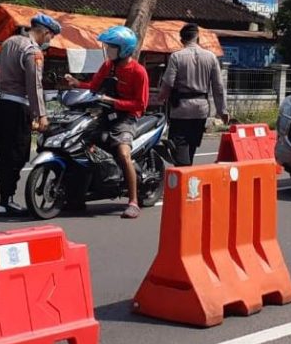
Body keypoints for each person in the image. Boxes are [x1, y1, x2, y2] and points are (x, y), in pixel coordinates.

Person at [64, 26, 149, 218]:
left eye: (111, 47)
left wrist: (115, 102)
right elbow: (94, 87)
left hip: (127, 118)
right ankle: (78, 196)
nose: (107, 50)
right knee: (80, 143)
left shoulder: (138, 71)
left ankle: (133, 202)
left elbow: (141, 104)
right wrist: (77, 84)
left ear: (124, 49)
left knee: (122, 152)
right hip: (105, 115)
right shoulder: (108, 66)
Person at [0, 12, 61, 216]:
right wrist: (41, 115)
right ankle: (7, 201)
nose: (49, 41)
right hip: (16, 108)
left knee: (2, 155)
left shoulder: (9, 42)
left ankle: (4, 200)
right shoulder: (33, 52)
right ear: (45, 32)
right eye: (51, 37)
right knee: (18, 155)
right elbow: (34, 86)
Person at [156, 23, 228, 165]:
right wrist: (222, 111)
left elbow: (167, 84)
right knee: (191, 146)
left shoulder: (176, 57)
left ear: (182, 40)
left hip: (180, 110)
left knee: (179, 148)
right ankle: (188, 174)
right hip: (201, 110)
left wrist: (160, 99)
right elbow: (218, 87)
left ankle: (185, 176)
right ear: (198, 38)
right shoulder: (211, 57)